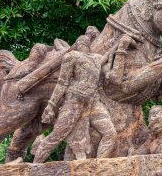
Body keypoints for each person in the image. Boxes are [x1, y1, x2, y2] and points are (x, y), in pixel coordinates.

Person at [33, 27, 116, 163]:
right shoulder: (71, 57)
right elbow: (62, 82)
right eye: (80, 41)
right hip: (74, 101)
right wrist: (51, 105)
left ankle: (99, 166)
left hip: (93, 102)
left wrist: (121, 44)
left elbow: (111, 52)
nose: (84, 42)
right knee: (57, 135)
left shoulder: (97, 59)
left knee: (110, 132)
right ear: (76, 45)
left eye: (86, 41)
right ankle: (35, 166)